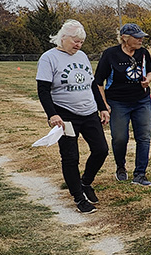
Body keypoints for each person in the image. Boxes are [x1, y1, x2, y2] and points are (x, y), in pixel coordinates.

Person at [35, 19, 110, 213]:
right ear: (63, 38)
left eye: (81, 42)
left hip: (89, 111)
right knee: (70, 157)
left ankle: (85, 183)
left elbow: (92, 84)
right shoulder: (48, 58)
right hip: (65, 114)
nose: (78, 45)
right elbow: (43, 90)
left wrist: (102, 107)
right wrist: (52, 115)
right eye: (75, 41)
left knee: (101, 149)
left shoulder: (82, 56)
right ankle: (78, 198)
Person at [94, 23, 151, 186]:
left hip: (141, 101)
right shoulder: (110, 54)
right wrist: (104, 104)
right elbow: (98, 81)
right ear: (125, 38)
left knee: (143, 137)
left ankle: (140, 174)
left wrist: (147, 80)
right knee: (120, 138)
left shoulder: (143, 53)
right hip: (118, 102)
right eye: (137, 37)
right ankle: (120, 167)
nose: (141, 40)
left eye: (142, 37)